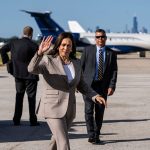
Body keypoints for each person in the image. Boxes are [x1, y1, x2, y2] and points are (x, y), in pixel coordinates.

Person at [28, 32, 106, 150]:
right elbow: (31, 69)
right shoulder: (48, 60)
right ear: (58, 46)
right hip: (52, 108)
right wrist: (39, 53)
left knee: (56, 141)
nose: (65, 48)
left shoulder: (76, 63)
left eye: (68, 45)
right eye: (63, 45)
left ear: (72, 47)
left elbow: (81, 85)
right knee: (63, 143)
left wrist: (95, 96)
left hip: (69, 109)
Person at [81, 28, 118, 144]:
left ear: (106, 38)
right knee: (88, 111)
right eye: (98, 37)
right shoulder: (87, 51)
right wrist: (78, 84)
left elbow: (114, 71)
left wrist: (112, 86)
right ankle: (91, 135)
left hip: (102, 87)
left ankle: (97, 134)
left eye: (102, 37)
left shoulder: (111, 53)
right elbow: (80, 68)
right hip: (88, 86)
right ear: (95, 39)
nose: (100, 39)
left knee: (100, 112)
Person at [0, 26, 39, 126]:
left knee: (19, 96)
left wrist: (7, 61)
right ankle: (33, 120)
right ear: (31, 34)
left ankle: (16, 119)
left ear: (23, 33)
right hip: (31, 75)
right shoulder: (34, 45)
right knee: (31, 98)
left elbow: (3, 49)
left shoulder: (14, 43)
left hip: (18, 74)